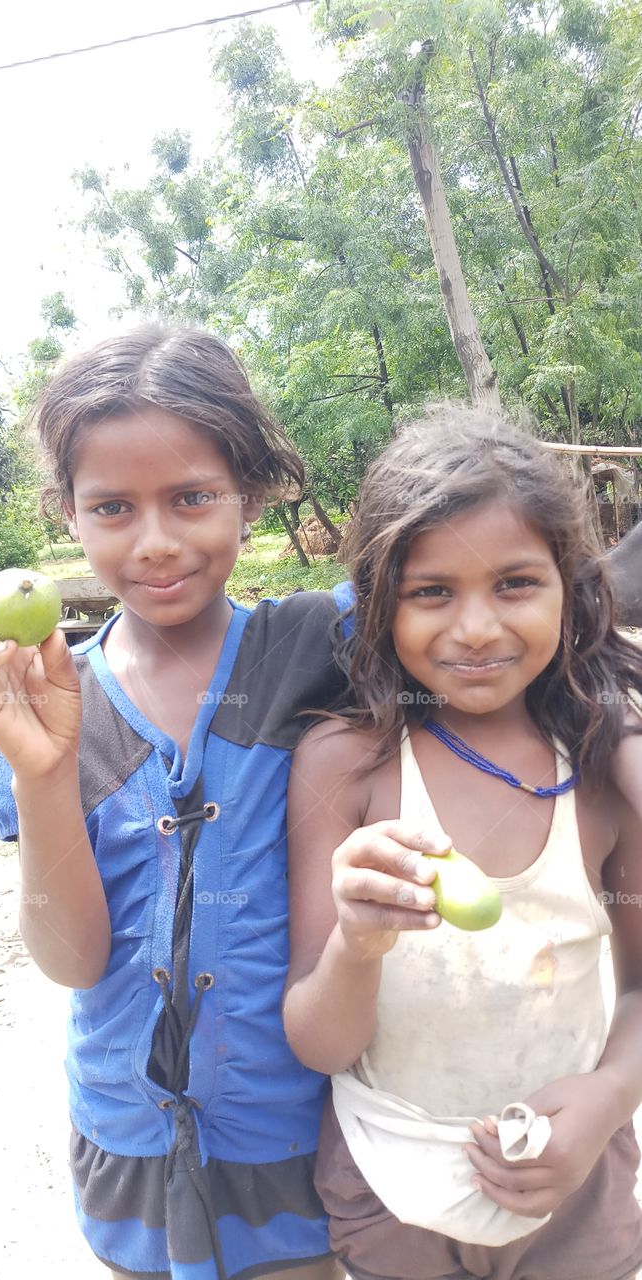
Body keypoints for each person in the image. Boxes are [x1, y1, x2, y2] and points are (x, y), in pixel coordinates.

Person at [0, 326, 449, 1280]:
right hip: (127, 1139)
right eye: (111, 507)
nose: (156, 542)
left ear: (250, 492)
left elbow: (486, 632)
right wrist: (44, 771)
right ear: (67, 514)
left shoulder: (327, 648)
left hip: (293, 1131)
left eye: (191, 497)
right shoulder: (37, 703)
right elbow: (74, 959)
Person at [283, 407, 642, 1280]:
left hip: (576, 1190)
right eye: (431, 592)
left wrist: (607, 1096)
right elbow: (319, 1043)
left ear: (570, 587)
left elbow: (637, 982)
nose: (475, 628)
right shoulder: (346, 766)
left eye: (515, 584)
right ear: (379, 605)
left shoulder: (599, 765)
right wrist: (357, 945)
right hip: (390, 1188)